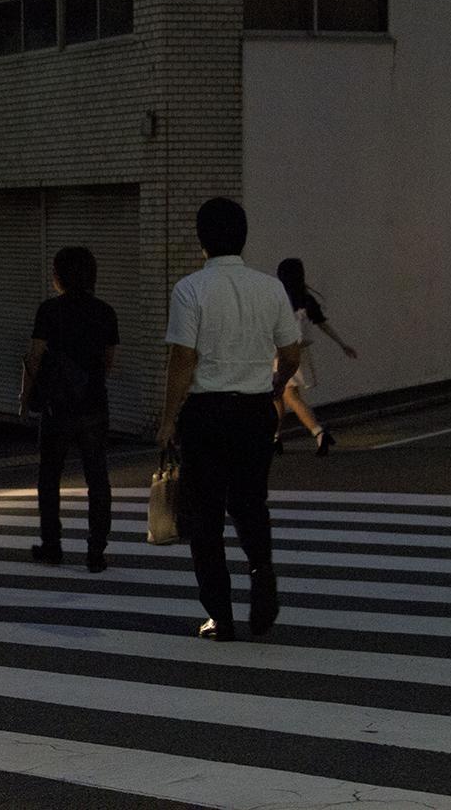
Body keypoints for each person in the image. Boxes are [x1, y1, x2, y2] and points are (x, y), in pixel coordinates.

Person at [158, 198, 302, 642]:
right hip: (255, 411)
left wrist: (167, 420)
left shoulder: (190, 289)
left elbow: (183, 360)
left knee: (206, 518)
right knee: (249, 503)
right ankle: (263, 580)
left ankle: (220, 615)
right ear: (243, 235)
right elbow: (291, 351)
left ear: (202, 239)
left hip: (206, 413)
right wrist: (275, 388)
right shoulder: (270, 288)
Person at [21, 246, 118, 572]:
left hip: (56, 407)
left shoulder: (48, 310)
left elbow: (34, 356)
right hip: (93, 405)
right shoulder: (105, 312)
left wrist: (25, 396)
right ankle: (96, 551)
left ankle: (52, 546)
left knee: (49, 477)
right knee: (98, 479)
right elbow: (108, 363)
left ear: (58, 276)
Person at [274, 258, 358, 456]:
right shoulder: (305, 298)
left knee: (288, 396)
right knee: (279, 396)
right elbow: (322, 323)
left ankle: (318, 431)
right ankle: (275, 438)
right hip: (300, 351)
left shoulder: (279, 298)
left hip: (280, 352)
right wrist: (342, 344)